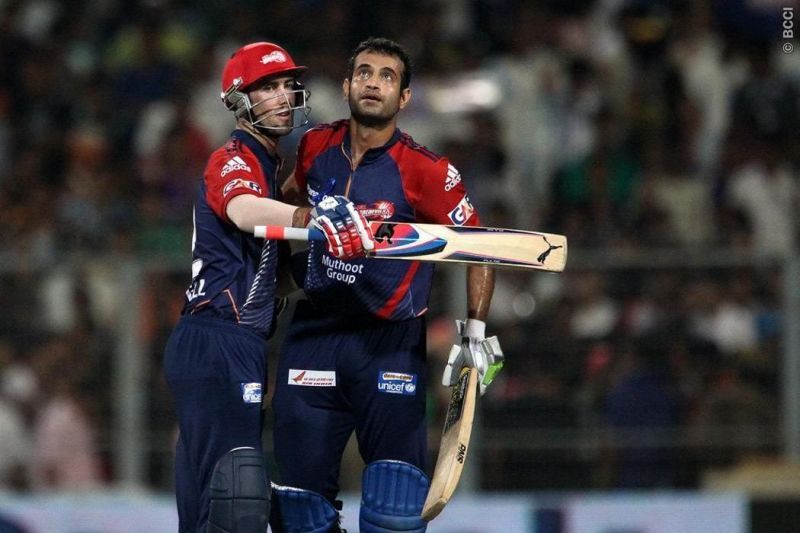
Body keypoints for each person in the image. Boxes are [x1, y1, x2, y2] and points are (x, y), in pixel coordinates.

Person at [270, 37, 502, 533]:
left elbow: (481, 247)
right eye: (364, 73)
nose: (373, 83)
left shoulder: (428, 170)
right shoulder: (313, 147)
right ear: (347, 85)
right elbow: (285, 211)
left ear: (405, 98)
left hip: (390, 344)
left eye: (387, 76)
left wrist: (475, 335)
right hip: (315, 337)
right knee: (298, 512)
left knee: (394, 514)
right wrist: (266, 283)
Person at [163, 41, 374, 533]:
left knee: (210, 508)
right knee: (237, 501)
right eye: (267, 88)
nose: (282, 97)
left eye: (286, 86)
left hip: (226, 341)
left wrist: (313, 270)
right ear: (238, 99)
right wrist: (314, 218)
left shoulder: (267, 167)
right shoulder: (234, 157)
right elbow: (242, 211)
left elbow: (259, 281)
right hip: (218, 340)